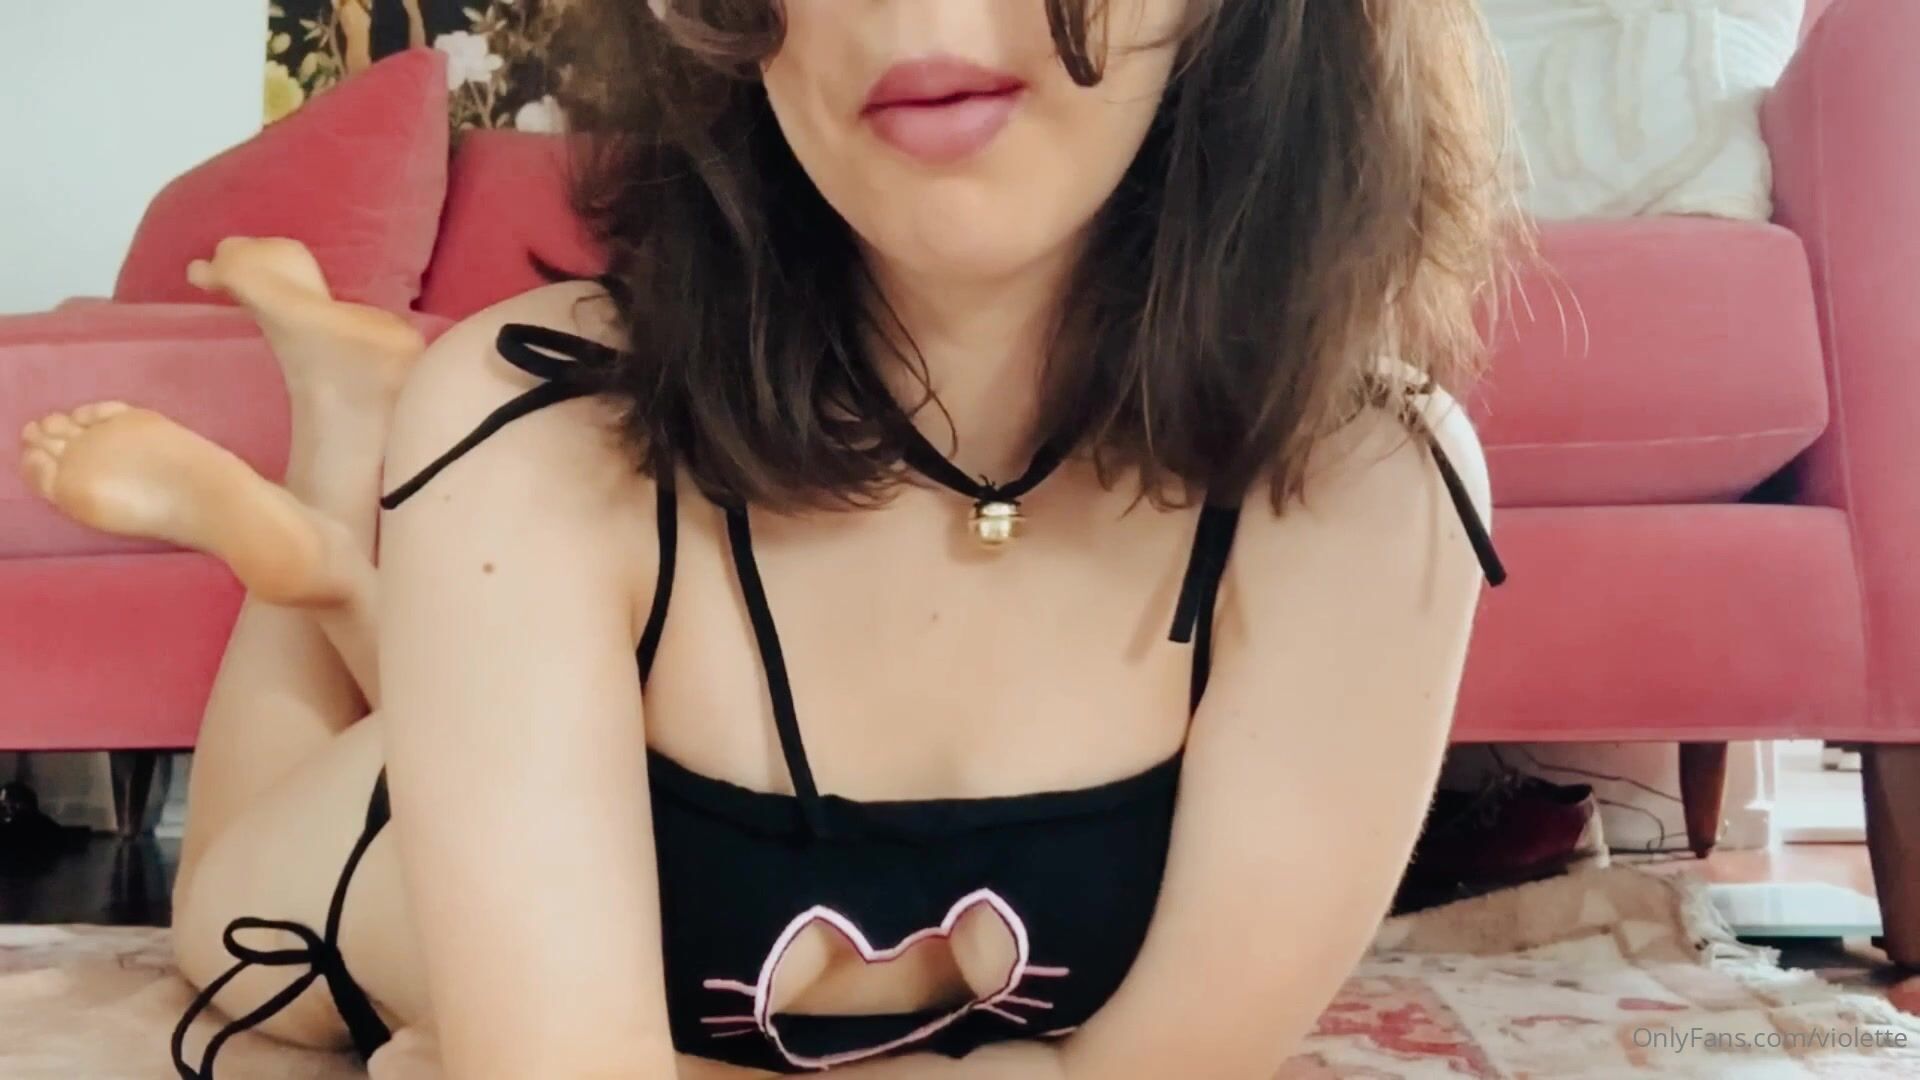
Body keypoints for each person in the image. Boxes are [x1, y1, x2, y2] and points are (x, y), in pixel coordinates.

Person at [19, 1, 1514, 1076]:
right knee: (223, 920)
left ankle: (355, 531)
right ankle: (335, 469)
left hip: (524, 662)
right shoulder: (539, 429)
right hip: (383, 841)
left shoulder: (1370, 493)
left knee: (452, 681)